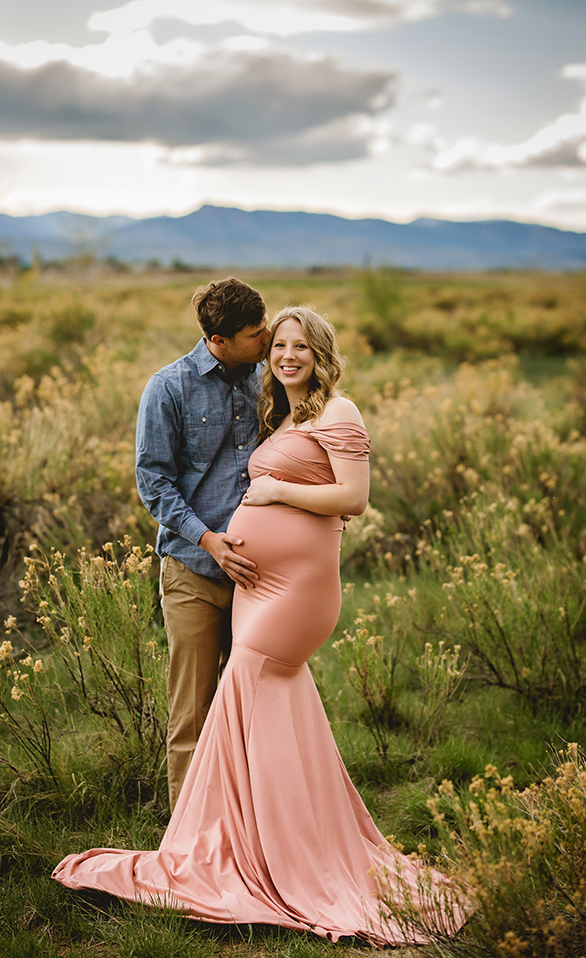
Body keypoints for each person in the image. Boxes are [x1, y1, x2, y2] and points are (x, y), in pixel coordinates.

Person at [53, 307, 468, 945]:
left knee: (247, 682)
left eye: (301, 345)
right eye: (279, 344)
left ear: (322, 352)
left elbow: (352, 498)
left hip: (293, 594)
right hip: (242, 583)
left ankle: (259, 855)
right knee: (254, 711)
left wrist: (278, 497)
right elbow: (158, 477)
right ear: (259, 349)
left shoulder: (339, 412)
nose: (287, 354)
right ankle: (258, 840)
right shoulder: (273, 409)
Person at [134, 277, 270, 811]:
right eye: (256, 334)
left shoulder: (268, 381)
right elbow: (154, 484)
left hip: (259, 575)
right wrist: (210, 542)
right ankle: (189, 838)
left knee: (256, 706)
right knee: (191, 712)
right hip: (193, 570)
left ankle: (250, 826)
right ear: (219, 338)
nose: (267, 340)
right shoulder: (167, 388)